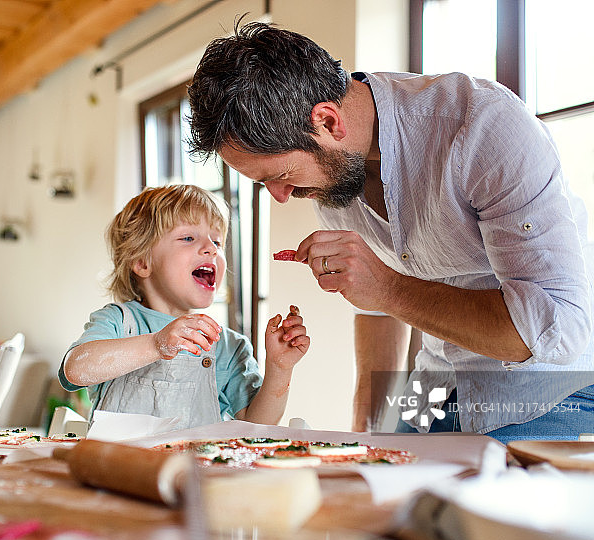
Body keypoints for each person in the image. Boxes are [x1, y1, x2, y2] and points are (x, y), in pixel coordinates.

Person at [186, 21, 594, 441]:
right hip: (431, 386)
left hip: (552, 389)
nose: (281, 196)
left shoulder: (482, 127)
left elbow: (554, 330)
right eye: (263, 183)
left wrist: (388, 288)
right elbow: (376, 306)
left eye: (282, 174)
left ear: (328, 121)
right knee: (367, 487)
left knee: (462, 507)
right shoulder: (333, 174)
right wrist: (365, 431)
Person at [59, 184, 309, 430]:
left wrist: (279, 368)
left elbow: (257, 425)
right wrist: (156, 344)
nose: (211, 248)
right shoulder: (118, 321)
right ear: (142, 262)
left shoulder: (228, 346)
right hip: (115, 469)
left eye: (217, 242)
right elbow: (75, 370)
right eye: (188, 237)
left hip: (194, 471)